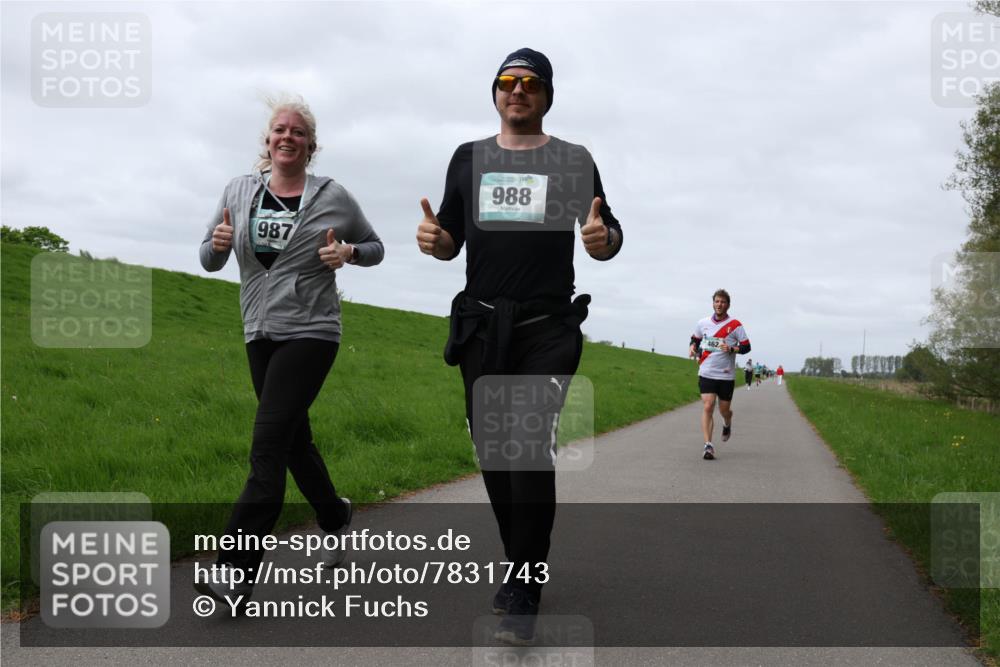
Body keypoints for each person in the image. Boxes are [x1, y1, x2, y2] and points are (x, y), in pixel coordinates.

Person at [416, 48, 622, 645]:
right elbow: (451, 235)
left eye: (530, 83)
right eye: (507, 82)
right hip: (482, 327)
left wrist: (601, 237)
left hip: (548, 328)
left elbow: (608, 234)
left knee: (527, 448)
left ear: (547, 95)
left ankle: (526, 587)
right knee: (494, 454)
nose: (518, 90)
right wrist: (437, 239)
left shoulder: (573, 159)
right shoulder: (468, 158)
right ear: (495, 93)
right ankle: (519, 557)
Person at [196, 96, 384, 608]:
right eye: (279, 129)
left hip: (313, 331)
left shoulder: (334, 197)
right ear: (268, 140)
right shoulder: (238, 191)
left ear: (310, 145)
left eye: (297, 132)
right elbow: (210, 258)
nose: (287, 137)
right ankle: (335, 516)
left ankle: (234, 572)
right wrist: (215, 244)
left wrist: (348, 253)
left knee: (268, 448)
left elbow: (375, 247)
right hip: (259, 329)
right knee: (294, 441)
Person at [689, 289, 750, 460]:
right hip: (707, 371)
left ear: (728, 305)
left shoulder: (736, 325)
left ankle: (727, 422)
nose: (719, 304)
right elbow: (695, 338)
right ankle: (708, 445)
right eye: (717, 301)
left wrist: (731, 348)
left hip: (726, 375)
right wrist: (692, 346)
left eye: (723, 302)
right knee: (708, 406)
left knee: (724, 410)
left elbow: (746, 347)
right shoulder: (703, 323)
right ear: (713, 303)